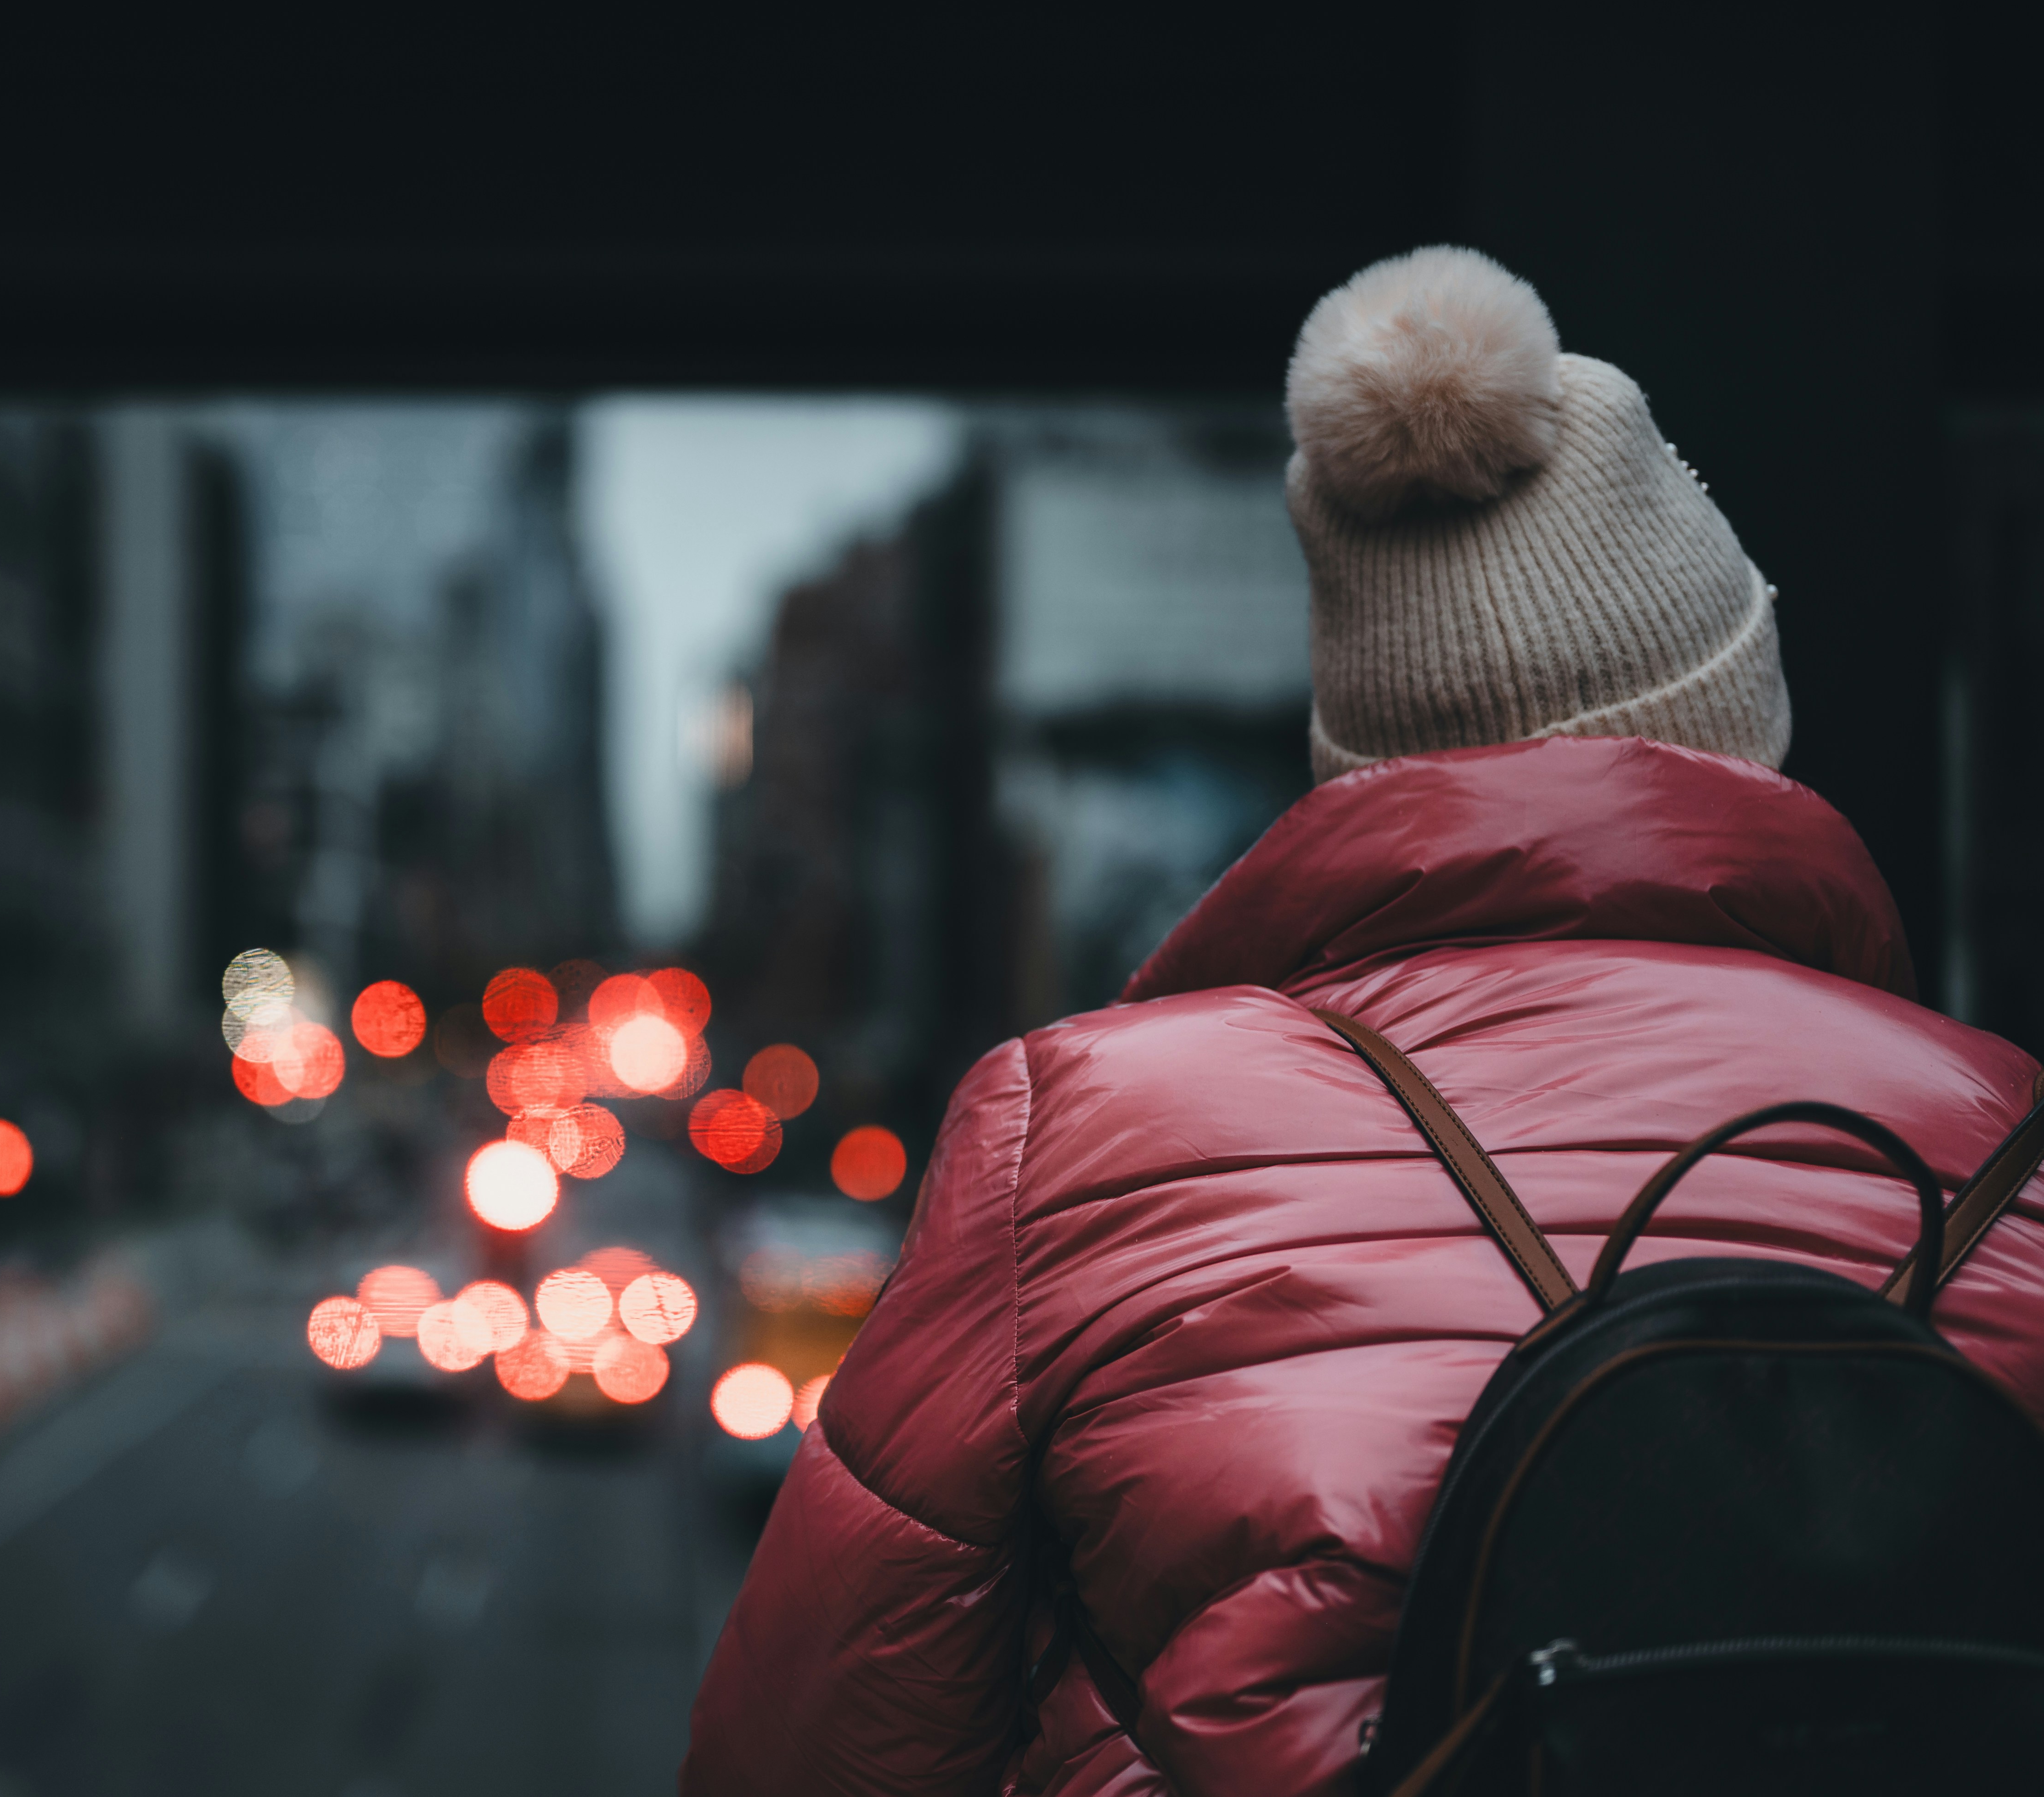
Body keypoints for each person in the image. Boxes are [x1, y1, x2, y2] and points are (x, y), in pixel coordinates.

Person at [679, 246, 2044, 1796]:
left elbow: (814, 1746)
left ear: (1359, 750)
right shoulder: (2012, 1145)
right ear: (1742, 720)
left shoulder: (1075, 1132)